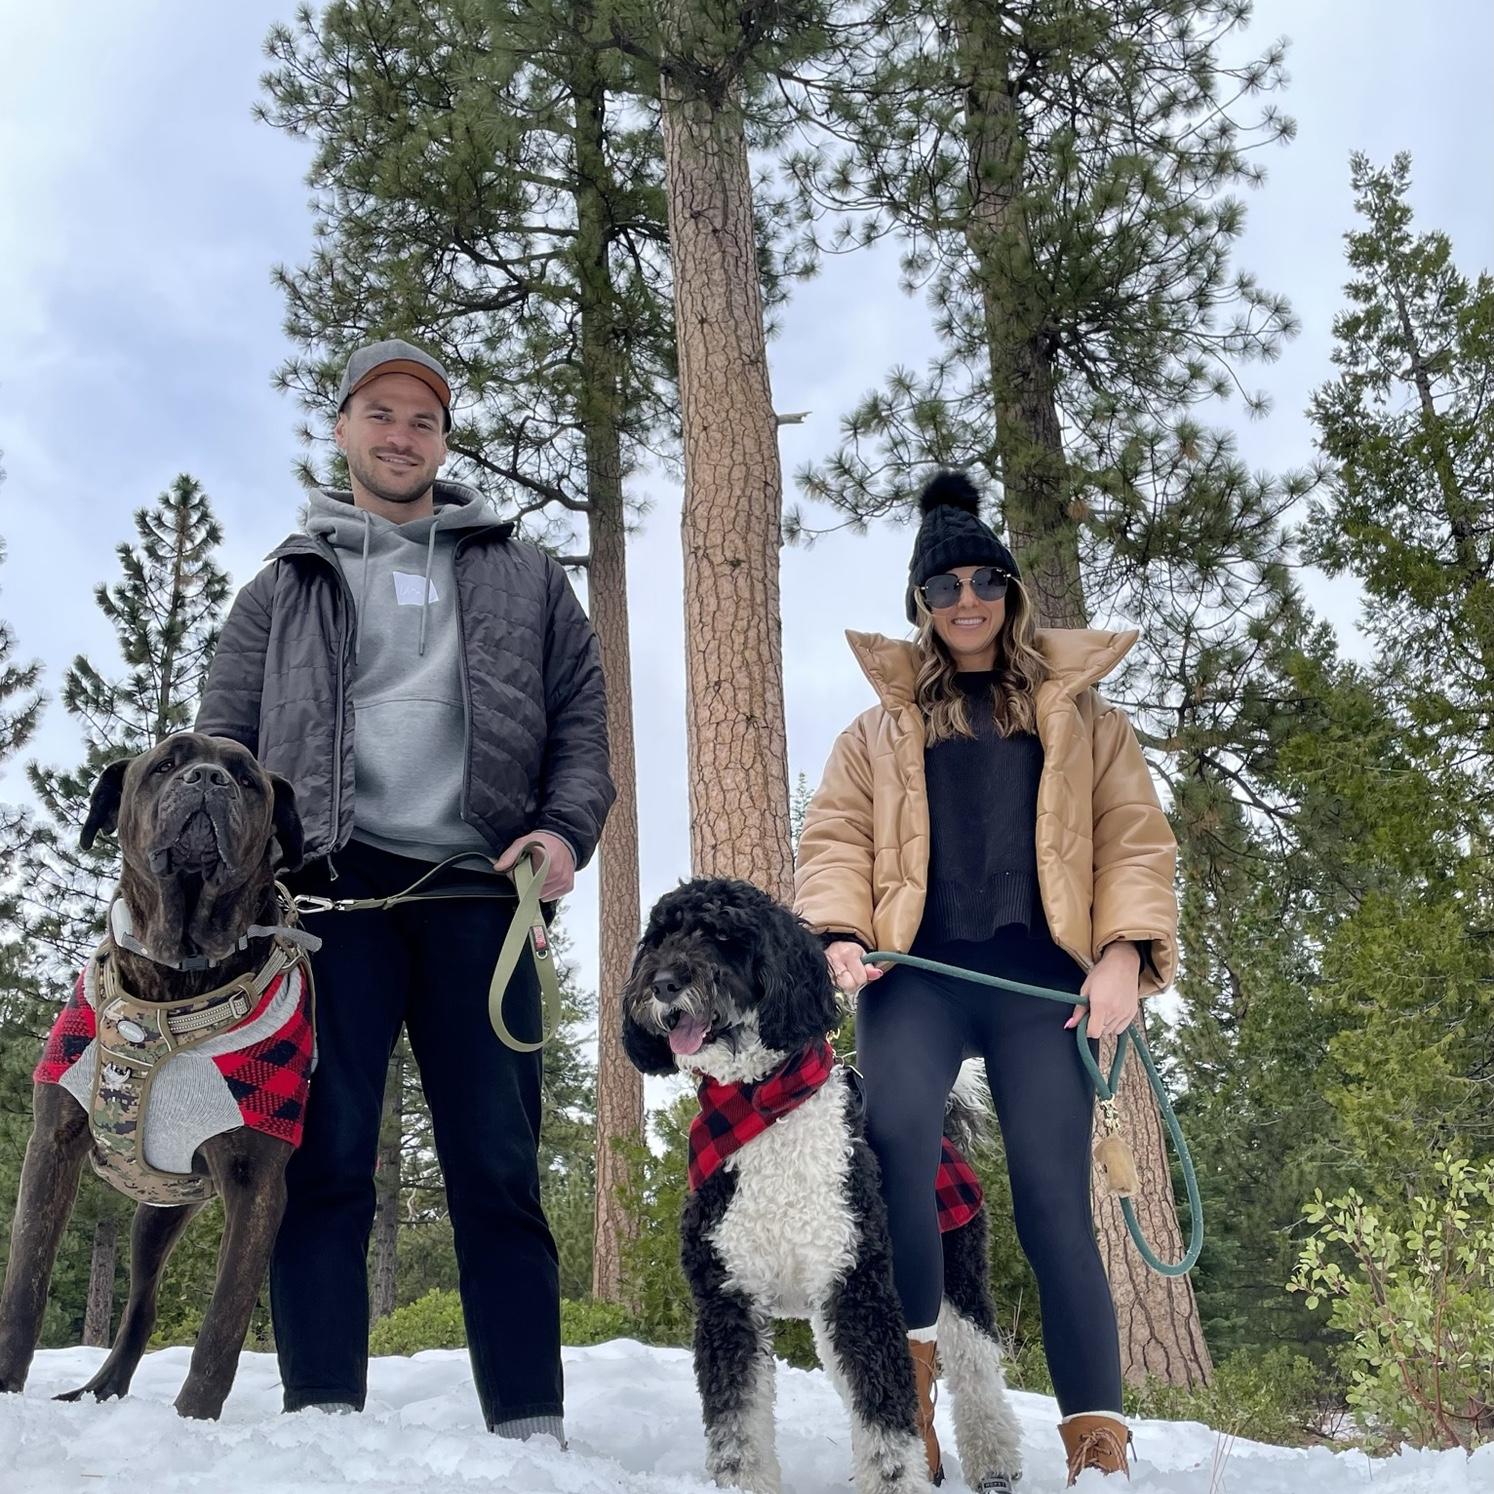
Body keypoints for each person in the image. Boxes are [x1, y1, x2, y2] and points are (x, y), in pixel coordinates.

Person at [196, 338, 614, 1443]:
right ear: (342, 429)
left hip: (482, 888)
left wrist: (564, 830)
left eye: (422, 419)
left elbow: (582, 719)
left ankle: (528, 1425)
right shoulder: (282, 584)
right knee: (323, 1160)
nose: (401, 434)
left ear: (443, 441)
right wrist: (232, 887)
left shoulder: (527, 574)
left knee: (498, 1166)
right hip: (325, 900)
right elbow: (220, 748)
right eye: (379, 414)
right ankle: (322, 1413)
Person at [793, 470, 1178, 1486]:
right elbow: (833, 840)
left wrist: (1123, 955)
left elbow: (1135, 842)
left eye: (982, 582)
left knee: (1055, 1203)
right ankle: (911, 1413)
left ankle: (1097, 1447)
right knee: (897, 1159)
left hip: (1039, 984)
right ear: (920, 604)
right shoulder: (875, 731)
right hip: (914, 975)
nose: (965, 600)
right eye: (943, 586)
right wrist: (838, 932)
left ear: (1010, 591)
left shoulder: (1086, 720)